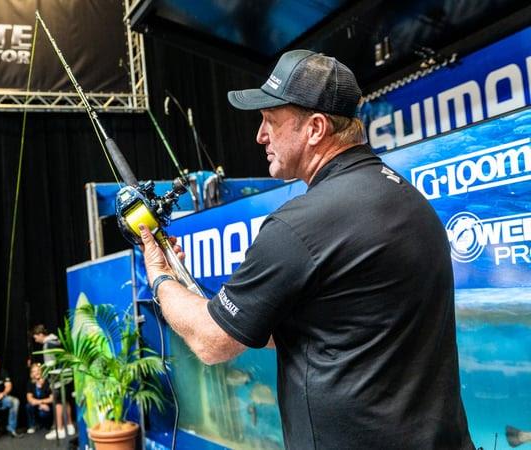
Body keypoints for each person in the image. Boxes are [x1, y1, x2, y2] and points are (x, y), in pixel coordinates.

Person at [139, 49, 475, 449]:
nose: (259, 135)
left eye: (270, 121)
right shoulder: (411, 202)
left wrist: (160, 274)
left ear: (315, 128)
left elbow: (212, 342)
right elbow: (334, 326)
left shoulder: (300, 224)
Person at [30, 324, 76, 440]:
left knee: (58, 403)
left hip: (57, 378)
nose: (35, 340)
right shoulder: (56, 340)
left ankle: (59, 430)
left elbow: (50, 365)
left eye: (35, 337)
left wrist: (48, 379)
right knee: (66, 401)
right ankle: (70, 426)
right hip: (66, 375)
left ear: (41, 334)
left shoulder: (47, 345)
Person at [25, 363, 53, 433]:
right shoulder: (30, 383)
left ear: (42, 371)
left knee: (43, 413)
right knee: (28, 406)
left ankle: (49, 425)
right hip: (39, 406)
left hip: (48, 406)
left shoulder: (47, 381)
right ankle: (33, 426)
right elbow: (29, 398)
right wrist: (40, 403)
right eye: (34, 371)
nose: (36, 372)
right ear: (31, 374)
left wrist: (41, 403)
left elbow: (52, 399)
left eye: (38, 370)